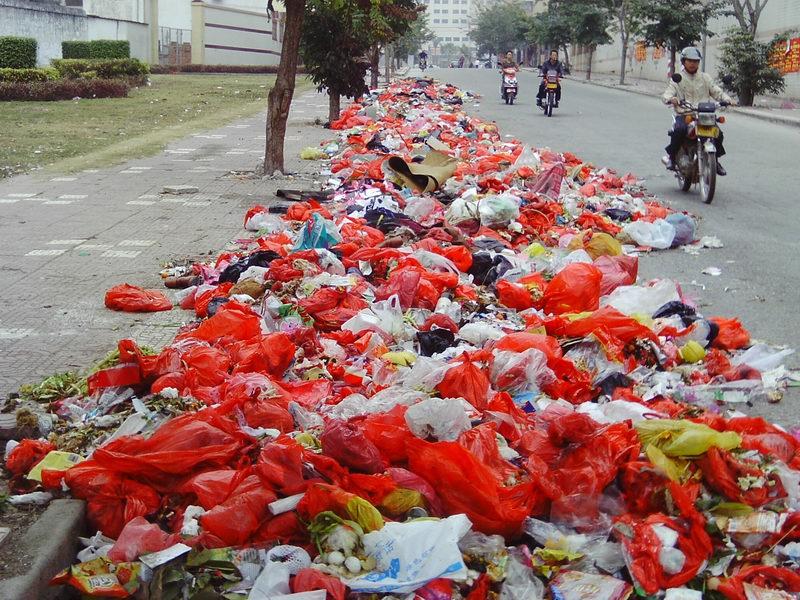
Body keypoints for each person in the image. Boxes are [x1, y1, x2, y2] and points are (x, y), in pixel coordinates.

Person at [662, 46, 734, 176]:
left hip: (704, 114)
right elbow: (667, 94)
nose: (693, 63)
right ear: (683, 61)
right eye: (689, 60)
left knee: (718, 133)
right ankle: (671, 158)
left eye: (695, 61)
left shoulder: (705, 77)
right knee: (679, 130)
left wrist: (727, 99)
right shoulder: (678, 79)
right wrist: (671, 99)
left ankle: (715, 161)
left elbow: (716, 91)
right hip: (685, 113)